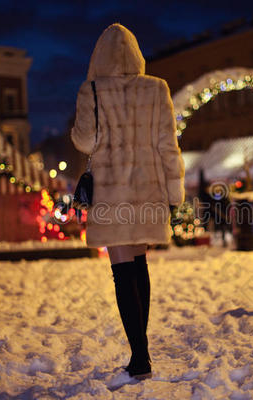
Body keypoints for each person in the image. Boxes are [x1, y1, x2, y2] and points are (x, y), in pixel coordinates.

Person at [70, 23, 185, 380]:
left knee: (123, 273)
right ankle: (142, 349)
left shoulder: (92, 90)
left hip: (112, 192)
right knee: (139, 265)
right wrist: (174, 190)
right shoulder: (157, 89)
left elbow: (84, 142)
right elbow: (169, 145)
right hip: (148, 189)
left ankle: (140, 356)